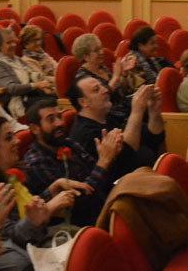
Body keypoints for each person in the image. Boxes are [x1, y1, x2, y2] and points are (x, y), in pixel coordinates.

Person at [22, 95, 122, 226]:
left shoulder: (68, 143)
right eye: (51, 119)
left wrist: (111, 155)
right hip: (83, 224)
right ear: (35, 129)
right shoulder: (36, 163)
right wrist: (103, 161)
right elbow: (79, 203)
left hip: (104, 204)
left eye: (59, 116)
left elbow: (102, 180)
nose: (59, 123)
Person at [0, 116, 79, 223]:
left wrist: (51, 190)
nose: (17, 141)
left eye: (14, 135)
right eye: (8, 138)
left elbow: (27, 208)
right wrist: (49, 208)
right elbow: (8, 233)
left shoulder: (16, 172)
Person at [67, 76, 164, 181]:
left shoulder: (109, 116)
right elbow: (127, 153)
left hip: (149, 172)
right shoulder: (85, 135)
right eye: (96, 90)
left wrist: (154, 110)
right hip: (127, 185)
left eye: (102, 85)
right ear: (83, 102)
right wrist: (137, 111)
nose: (105, 90)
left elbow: (154, 137)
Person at [72, 32, 139, 121]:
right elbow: (101, 97)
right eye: (96, 50)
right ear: (86, 56)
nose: (101, 52)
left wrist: (124, 74)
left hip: (122, 109)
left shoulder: (102, 68)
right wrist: (116, 77)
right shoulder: (83, 77)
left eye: (101, 48)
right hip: (108, 116)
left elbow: (120, 91)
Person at [0, 28, 54, 117]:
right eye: (9, 43)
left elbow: (34, 75)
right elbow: (11, 88)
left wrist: (49, 83)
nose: (13, 45)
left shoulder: (17, 60)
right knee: (50, 104)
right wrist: (35, 85)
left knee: (56, 97)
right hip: (17, 101)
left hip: (31, 95)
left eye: (14, 42)